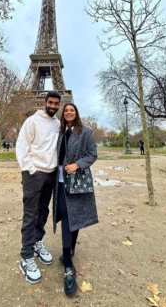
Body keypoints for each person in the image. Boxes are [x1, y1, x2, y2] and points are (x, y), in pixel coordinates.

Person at [53, 103, 98, 297]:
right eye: (66, 110)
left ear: (76, 113)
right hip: (61, 183)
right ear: (63, 114)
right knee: (66, 219)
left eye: (72, 110)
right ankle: (69, 267)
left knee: (75, 219)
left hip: (77, 181)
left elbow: (92, 154)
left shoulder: (85, 132)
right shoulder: (59, 133)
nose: (69, 112)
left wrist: (77, 165)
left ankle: (69, 251)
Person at [16, 91, 61, 284]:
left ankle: (37, 242)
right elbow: (21, 146)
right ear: (44, 102)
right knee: (31, 214)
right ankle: (26, 256)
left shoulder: (58, 124)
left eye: (56, 103)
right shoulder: (32, 121)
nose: (53, 106)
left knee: (43, 211)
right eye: (50, 102)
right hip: (34, 174)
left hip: (51, 174)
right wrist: (31, 170)